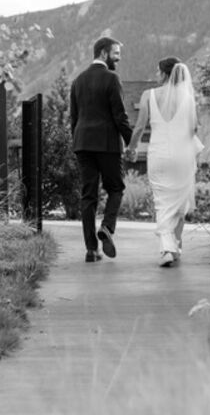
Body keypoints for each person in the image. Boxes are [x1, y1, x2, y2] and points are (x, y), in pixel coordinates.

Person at [125, 57, 202, 267]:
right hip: (181, 156)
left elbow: (139, 127)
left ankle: (168, 248)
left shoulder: (148, 95)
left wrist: (131, 148)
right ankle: (175, 245)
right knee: (179, 203)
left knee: (162, 203)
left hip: (158, 155)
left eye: (158, 72)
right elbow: (193, 128)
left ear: (166, 74)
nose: (157, 75)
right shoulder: (187, 97)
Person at [70, 36, 133, 263]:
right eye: (116, 53)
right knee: (116, 188)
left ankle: (91, 249)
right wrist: (131, 142)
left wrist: (77, 143)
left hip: (82, 143)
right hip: (107, 144)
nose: (119, 58)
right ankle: (107, 227)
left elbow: (74, 118)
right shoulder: (111, 79)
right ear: (104, 53)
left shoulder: (77, 81)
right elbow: (120, 116)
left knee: (88, 195)